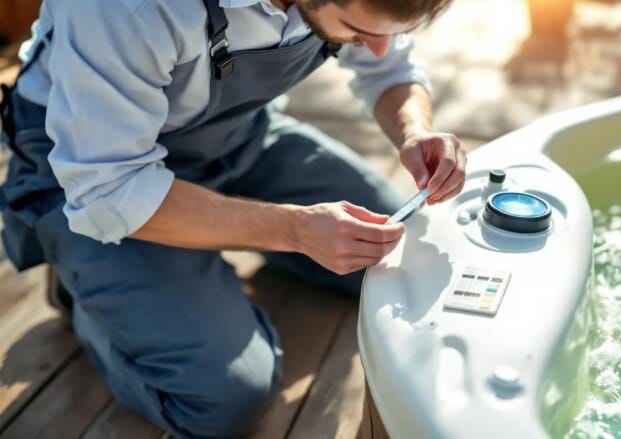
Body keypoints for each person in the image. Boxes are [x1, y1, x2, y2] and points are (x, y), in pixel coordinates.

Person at [0, 0, 466, 436]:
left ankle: (167, 278)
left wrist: (415, 130)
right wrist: (294, 228)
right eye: (356, 30)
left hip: (235, 139)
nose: (378, 44)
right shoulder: (126, 8)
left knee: (397, 252)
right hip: (94, 174)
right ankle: (84, 297)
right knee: (225, 400)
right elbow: (110, 187)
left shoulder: (360, 9)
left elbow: (390, 66)